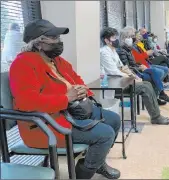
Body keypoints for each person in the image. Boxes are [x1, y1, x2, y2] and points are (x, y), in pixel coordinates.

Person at [9, 19, 120, 179]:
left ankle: (96, 161)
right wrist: (66, 98)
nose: (59, 42)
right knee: (106, 134)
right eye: (54, 38)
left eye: (59, 38)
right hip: (44, 124)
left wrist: (84, 91)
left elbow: (77, 79)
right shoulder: (22, 64)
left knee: (114, 120)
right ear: (39, 43)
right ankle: (84, 172)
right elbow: (27, 102)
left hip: (71, 112)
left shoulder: (57, 61)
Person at [100, 27, 169, 126]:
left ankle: (156, 114)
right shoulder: (104, 52)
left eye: (116, 37)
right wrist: (132, 78)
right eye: (113, 37)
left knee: (147, 84)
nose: (116, 39)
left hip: (122, 81)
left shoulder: (113, 51)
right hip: (114, 85)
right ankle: (156, 117)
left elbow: (123, 67)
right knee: (145, 87)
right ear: (106, 40)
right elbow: (114, 71)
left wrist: (134, 76)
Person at [117, 27, 169, 101]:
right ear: (123, 38)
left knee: (159, 71)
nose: (133, 38)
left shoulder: (130, 48)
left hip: (139, 66)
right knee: (156, 72)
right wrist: (141, 66)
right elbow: (127, 67)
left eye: (132, 36)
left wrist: (141, 65)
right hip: (135, 72)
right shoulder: (123, 50)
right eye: (130, 37)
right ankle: (159, 94)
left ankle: (157, 95)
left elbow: (134, 62)